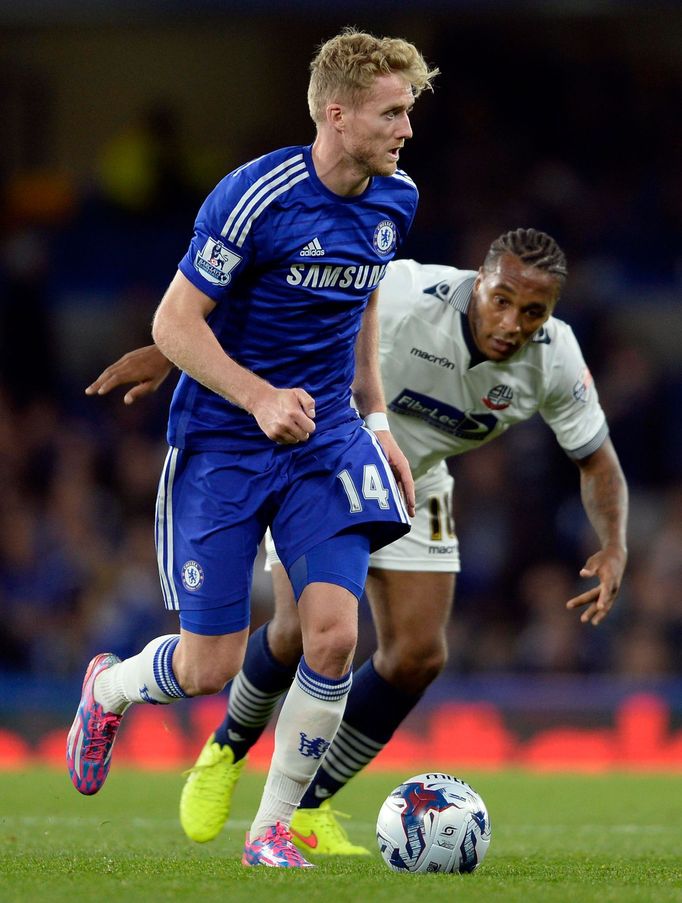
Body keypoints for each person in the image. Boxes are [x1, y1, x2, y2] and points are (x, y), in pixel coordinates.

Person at [86, 227, 629, 856]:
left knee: (418, 656)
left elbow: (597, 460)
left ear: (552, 312)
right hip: (326, 461)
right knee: (298, 635)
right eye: (501, 299)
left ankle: (307, 807)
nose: (512, 322)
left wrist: (613, 544)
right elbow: (278, 301)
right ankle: (226, 752)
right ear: (476, 283)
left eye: (533, 312)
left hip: (415, 481)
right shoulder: (404, 294)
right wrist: (165, 353)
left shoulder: (556, 357)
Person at [66, 27, 439, 869]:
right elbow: (173, 322)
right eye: (392, 112)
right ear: (336, 116)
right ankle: (109, 687)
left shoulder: (396, 198)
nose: (406, 130)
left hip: (325, 439)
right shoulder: (255, 196)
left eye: (409, 112)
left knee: (336, 636)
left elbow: (364, 302)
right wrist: (259, 395)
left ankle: (273, 828)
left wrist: (377, 423)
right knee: (208, 666)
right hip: (225, 438)